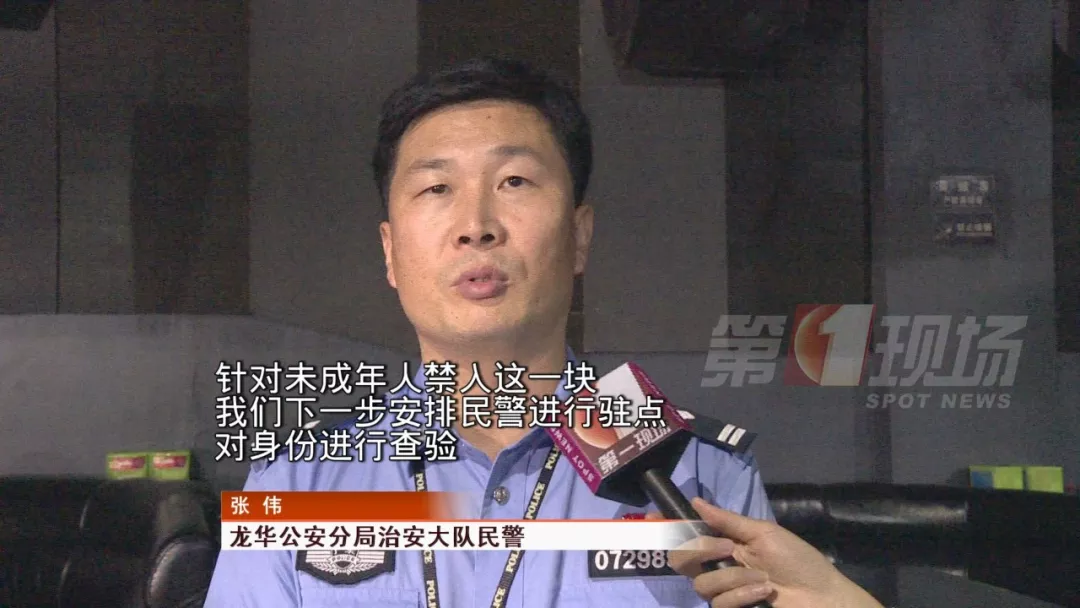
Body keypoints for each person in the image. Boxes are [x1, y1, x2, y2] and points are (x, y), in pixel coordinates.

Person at [203, 57, 874, 608]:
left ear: (579, 236)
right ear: (390, 253)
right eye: (436, 189)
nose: (476, 226)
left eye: (515, 180)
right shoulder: (298, 484)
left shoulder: (696, 472)